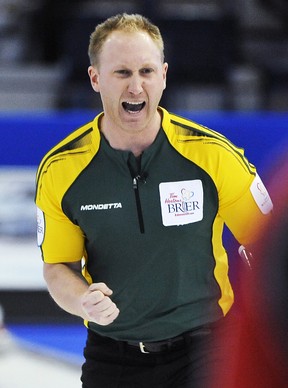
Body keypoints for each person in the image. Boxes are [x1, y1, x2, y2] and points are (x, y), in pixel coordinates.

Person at [35, 13, 273, 387]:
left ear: (163, 75)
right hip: (112, 354)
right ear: (95, 78)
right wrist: (83, 300)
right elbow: (57, 267)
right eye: (122, 73)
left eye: (146, 71)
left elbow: (270, 243)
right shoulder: (61, 170)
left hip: (205, 349)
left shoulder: (213, 156)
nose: (136, 86)